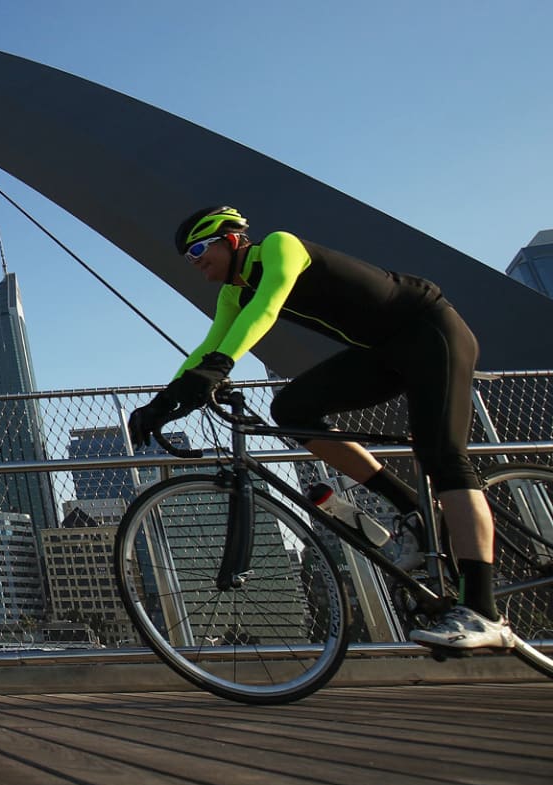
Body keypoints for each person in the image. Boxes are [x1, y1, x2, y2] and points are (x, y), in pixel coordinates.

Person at [126, 205, 514, 652]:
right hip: (381, 351)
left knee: (443, 457)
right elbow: (206, 347)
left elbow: (267, 307)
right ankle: (411, 509)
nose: (194, 262)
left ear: (231, 240)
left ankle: (484, 613)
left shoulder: (280, 246)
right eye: (187, 257)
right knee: (291, 410)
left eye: (198, 249)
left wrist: (219, 366)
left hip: (430, 330)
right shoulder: (233, 295)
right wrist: (162, 403)